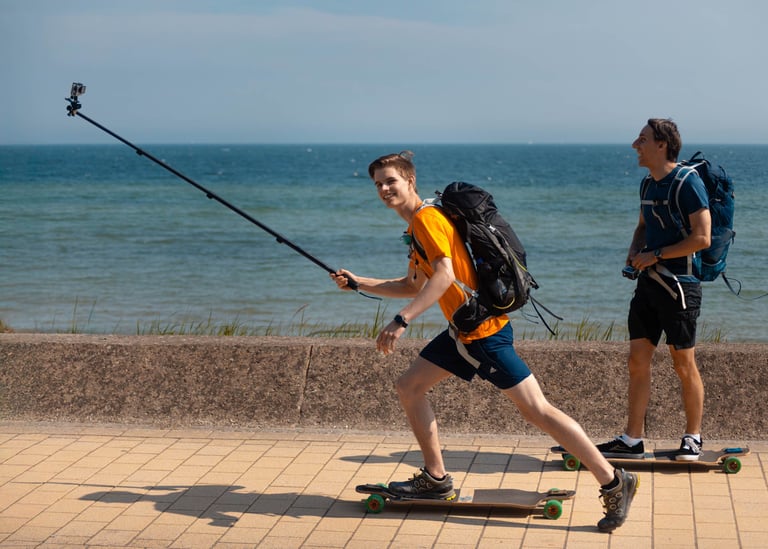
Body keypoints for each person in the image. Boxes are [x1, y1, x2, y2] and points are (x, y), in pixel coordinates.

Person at [331, 151, 637, 532]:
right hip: (463, 332)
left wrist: (402, 320)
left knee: (537, 410)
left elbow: (442, 277)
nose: (383, 189)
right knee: (409, 387)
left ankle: (613, 480)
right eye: (377, 183)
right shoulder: (416, 228)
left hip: (484, 334)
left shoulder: (427, 219)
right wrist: (360, 282)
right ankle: (436, 480)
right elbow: (412, 284)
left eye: (390, 180)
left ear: (410, 180)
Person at [596, 119, 711, 461]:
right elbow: (643, 226)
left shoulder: (687, 183)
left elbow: (701, 238)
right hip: (648, 285)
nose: (635, 144)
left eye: (642, 139)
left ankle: (693, 437)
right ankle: (632, 439)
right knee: (637, 361)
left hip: (679, 287)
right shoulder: (647, 185)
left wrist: (656, 254)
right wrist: (634, 253)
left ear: (661, 145)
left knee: (683, 363)